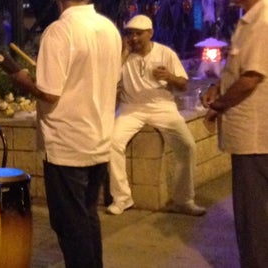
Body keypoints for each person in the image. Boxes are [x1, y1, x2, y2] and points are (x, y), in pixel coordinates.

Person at [9, 0, 121, 267]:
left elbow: (50, 92)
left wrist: (23, 80)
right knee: (88, 216)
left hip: (67, 145)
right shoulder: (109, 29)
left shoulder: (60, 31)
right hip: (99, 140)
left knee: (70, 226)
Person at [106, 15, 206, 216]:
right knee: (112, 143)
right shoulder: (122, 55)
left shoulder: (165, 53)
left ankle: (183, 200)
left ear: (150, 33)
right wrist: (124, 53)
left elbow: (184, 84)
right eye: (130, 34)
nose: (133, 38)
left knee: (187, 146)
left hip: (162, 106)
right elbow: (109, 81)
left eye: (138, 34)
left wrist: (169, 77)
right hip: (131, 107)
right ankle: (122, 198)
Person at [201, 0, 268, 266]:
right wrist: (217, 86)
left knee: (253, 214)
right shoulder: (249, 19)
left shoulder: (262, 21)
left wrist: (218, 105)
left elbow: (250, 79)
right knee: (253, 211)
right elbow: (239, 70)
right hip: (246, 135)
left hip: (254, 136)